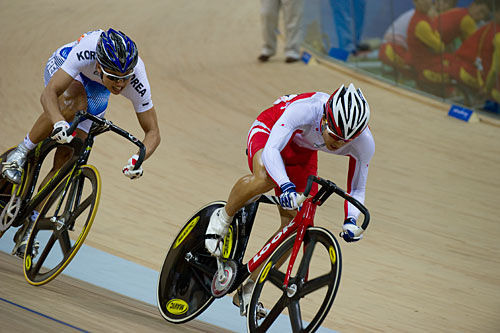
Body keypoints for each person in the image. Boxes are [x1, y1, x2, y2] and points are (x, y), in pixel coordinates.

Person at [204, 83, 374, 315]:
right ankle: (222, 219)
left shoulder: (364, 143)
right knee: (265, 178)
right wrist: (285, 187)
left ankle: (249, 288)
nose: (338, 143)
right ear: (325, 119)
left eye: (346, 141)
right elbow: (272, 150)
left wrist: (351, 221)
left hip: (303, 154)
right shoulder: (306, 109)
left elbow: (357, 189)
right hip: (271, 130)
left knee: (296, 227)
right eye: (334, 135)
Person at [1, 28, 161, 256]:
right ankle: (21, 152)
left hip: (97, 90)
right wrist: (57, 121)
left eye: (124, 79)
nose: (120, 85)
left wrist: (140, 158)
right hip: (66, 68)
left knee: (69, 157)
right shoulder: (86, 51)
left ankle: (31, 225)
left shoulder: (136, 77)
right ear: (99, 67)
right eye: (114, 78)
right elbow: (49, 94)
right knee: (69, 103)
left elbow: (153, 132)